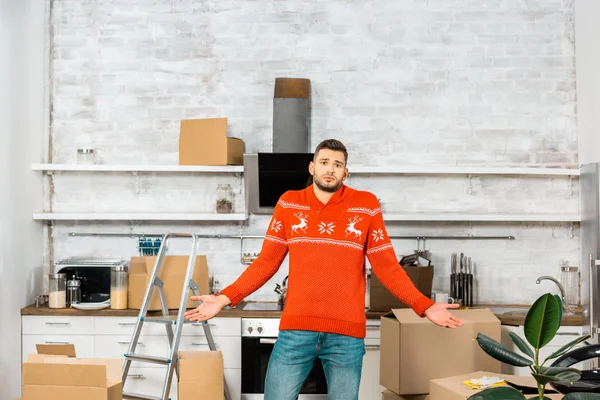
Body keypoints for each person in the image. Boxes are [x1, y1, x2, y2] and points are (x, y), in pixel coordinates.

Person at [185, 139, 464, 400]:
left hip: (346, 336)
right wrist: (224, 298)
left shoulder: (366, 206)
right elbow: (266, 263)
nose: (330, 169)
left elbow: (388, 267)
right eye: (324, 162)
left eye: (337, 164)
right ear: (312, 167)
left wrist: (425, 306)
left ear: (346, 172)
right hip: (297, 330)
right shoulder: (289, 204)